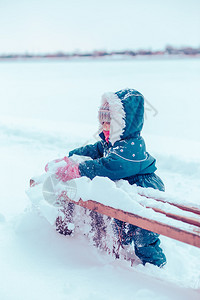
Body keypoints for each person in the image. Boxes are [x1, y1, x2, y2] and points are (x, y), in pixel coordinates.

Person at [54, 88, 167, 267]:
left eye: (109, 122)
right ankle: (121, 249)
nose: (105, 126)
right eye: (102, 121)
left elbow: (111, 166)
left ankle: (156, 266)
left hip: (146, 191)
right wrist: (71, 157)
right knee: (119, 225)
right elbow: (95, 150)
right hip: (127, 190)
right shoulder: (111, 141)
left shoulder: (132, 146)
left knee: (144, 237)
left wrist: (78, 169)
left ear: (124, 124)